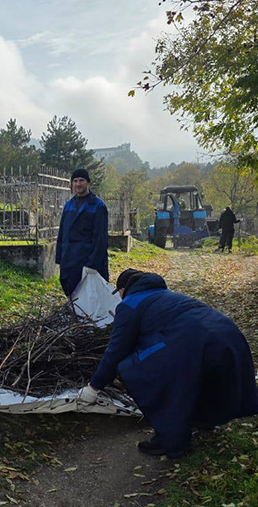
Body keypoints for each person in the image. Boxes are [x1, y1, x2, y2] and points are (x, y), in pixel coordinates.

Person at [77, 268, 258, 457]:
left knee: (132, 367)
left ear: (123, 289)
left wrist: (94, 387)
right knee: (190, 365)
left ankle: (171, 439)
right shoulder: (167, 296)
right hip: (230, 336)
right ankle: (204, 419)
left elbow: (116, 350)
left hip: (194, 344)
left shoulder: (130, 303)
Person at [55, 167, 108, 297]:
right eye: (75, 181)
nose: (78, 184)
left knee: (90, 297)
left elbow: (100, 238)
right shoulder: (69, 205)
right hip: (69, 259)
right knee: (71, 293)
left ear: (88, 183)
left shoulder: (97, 206)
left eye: (82, 180)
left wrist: (93, 264)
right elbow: (62, 232)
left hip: (87, 259)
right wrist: (59, 257)